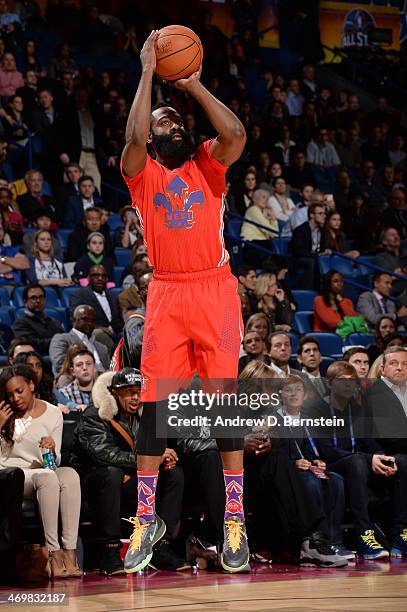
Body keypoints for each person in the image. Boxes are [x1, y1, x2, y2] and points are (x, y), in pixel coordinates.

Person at [120, 30, 249, 574]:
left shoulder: (206, 163)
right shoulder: (143, 175)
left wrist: (191, 83)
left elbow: (236, 131)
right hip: (169, 293)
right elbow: (130, 138)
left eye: (174, 120)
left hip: (215, 290)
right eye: (160, 123)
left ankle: (235, 519)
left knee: (224, 403)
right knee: (154, 405)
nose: (169, 125)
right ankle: (145, 515)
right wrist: (149, 72)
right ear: (152, 141)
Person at [70, 369, 187, 574]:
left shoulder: (147, 415)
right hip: (96, 481)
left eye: (139, 391)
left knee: (174, 474)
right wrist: (150, 459)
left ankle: (160, 546)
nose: (135, 397)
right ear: (115, 392)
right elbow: (103, 454)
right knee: (112, 473)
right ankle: (110, 553)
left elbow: (160, 449)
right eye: (129, 392)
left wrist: (165, 459)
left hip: (132, 478)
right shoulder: (95, 413)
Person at [308, 361, 398, 560]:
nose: (348, 386)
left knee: (398, 462)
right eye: (342, 381)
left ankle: (400, 533)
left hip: (356, 462)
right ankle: (364, 535)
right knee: (357, 461)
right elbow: (326, 450)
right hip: (330, 463)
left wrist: (381, 456)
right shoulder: (317, 409)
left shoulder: (357, 408)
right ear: (330, 384)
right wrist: (367, 458)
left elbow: (368, 442)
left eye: (352, 382)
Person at [0, 365, 82, 578]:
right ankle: (53, 553)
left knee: (70, 475)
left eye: (19, 391)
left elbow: (54, 464)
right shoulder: (6, 415)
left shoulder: (54, 413)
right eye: (10, 394)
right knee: (47, 478)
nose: (15, 398)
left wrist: (52, 448)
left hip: (44, 471)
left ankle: (70, 554)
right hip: (13, 474)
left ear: (31, 385)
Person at [277, 375, 350, 562]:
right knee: (310, 482)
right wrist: (294, 463)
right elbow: (276, 453)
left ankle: (334, 539)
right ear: (281, 394)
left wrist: (317, 460)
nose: (294, 394)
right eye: (288, 390)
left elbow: (312, 448)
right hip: (287, 471)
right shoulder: (275, 419)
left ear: (305, 395)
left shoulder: (308, 419)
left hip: (308, 466)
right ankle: (313, 539)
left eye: (298, 390)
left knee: (336, 480)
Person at [69, 265, 122, 352]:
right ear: (89, 278)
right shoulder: (79, 295)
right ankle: (115, 358)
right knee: (98, 334)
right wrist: (99, 327)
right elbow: (76, 319)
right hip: (93, 333)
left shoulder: (112, 296)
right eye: (95, 275)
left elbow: (119, 320)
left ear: (107, 279)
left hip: (115, 333)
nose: (100, 278)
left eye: (103, 276)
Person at [50, 304, 110, 376]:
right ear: (73, 321)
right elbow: (60, 365)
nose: (89, 323)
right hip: (75, 382)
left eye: (92, 320)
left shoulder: (102, 348)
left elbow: (109, 370)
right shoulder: (61, 339)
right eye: (84, 319)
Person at [11, 284, 64, 354]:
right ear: (25, 302)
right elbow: (33, 345)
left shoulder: (53, 321)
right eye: (33, 298)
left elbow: (64, 339)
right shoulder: (20, 323)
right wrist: (58, 341)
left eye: (41, 297)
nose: (38, 300)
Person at [289, 202, 329, 289]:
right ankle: (309, 290)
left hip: (316, 258)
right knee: (312, 262)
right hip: (300, 259)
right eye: (320, 213)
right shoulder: (300, 230)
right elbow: (298, 251)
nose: (324, 216)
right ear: (311, 215)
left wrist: (326, 250)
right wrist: (316, 255)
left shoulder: (322, 231)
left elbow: (322, 247)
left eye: (324, 213)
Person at [241, 188, 279, 267]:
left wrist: (273, 218)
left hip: (262, 244)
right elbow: (270, 230)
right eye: (263, 197)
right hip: (251, 244)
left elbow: (274, 234)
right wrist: (273, 223)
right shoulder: (253, 210)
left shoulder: (264, 212)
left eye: (267, 198)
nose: (266, 200)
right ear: (255, 199)